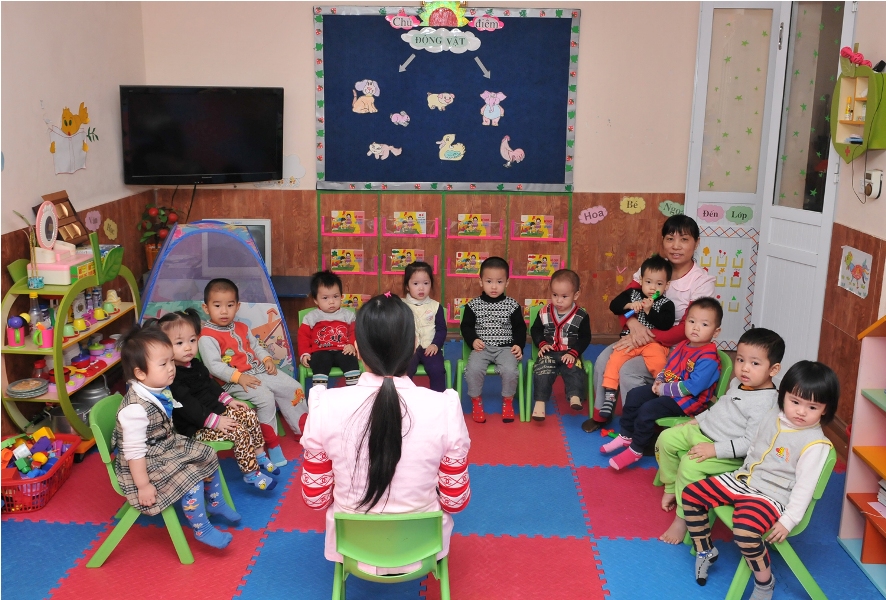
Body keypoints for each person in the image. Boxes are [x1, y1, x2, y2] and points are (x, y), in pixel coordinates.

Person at [299, 294, 471, 574]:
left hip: (353, 551)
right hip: (423, 549)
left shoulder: (324, 404)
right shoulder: (445, 407)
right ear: (414, 345)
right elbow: (456, 500)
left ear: (357, 349)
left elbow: (315, 499)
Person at [684, 361, 838, 599]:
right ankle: (705, 551)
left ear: (825, 409)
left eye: (812, 407)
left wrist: (788, 520)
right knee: (692, 494)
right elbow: (755, 445)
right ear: (783, 396)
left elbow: (804, 488)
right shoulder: (772, 416)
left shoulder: (815, 444)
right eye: (795, 402)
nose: (801, 412)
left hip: (772, 497)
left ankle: (765, 582)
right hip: (744, 480)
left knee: (745, 531)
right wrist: (742, 472)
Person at [585, 215, 715, 433]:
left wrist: (645, 334)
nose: (676, 246)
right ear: (662, 241)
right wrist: (634, 326)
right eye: (670, 239)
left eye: (684, 239)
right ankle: (602, 414)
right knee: (602, 361)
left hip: (674, 347)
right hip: (636, 334)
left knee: (629, 371)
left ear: (696, 242)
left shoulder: (701, 282)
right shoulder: (652, 268)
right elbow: (625, 302)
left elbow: (687, 328)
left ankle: (641, 427)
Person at [655, 328, 784, 544]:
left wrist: (714, 449)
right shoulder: (738, 383)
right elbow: (721, 408)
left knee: (689, 465)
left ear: (774, 369)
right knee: (666, 438)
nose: (744, 368)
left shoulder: (766, 403)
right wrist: (698, 420)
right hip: (704, 431)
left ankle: (682, 518)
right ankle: (670, 485)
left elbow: (750, 443)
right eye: (740, 360)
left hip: (726, 451)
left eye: (754, 363)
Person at [115, 324, 239, 549]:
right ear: (140, 373)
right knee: (191, 476)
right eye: (163, 364)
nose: (172, 368)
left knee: (207, 453)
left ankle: (215, 502)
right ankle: (202, 528)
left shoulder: (158, 387)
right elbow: (134, 453)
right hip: (145, 463)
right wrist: (143, 485)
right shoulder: (135, 409)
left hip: (165, 444)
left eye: (171, 361)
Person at [152, 309, 280, 491]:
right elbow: (189, 407)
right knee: (239, 431)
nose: (188, 348)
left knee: (249, 414)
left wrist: (229, 401)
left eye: (192, 340)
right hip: (198, 427)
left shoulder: (195, 364)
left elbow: (210, 385)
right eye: (179, 343)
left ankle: (259, 456)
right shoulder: (172, 376)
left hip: (215, 412)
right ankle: (251, 473)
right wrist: (216, 421)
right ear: (164, 346)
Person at [601, 298, 723, 470]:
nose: (696, 328)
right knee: (634, 395)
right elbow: (669, 367)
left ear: (716, 332)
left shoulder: (708, 358)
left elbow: (692, 387)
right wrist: (660, 379)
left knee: (648, 409)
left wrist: (663, 389)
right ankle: (626, 435)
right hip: (670, 391)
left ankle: (636, 449)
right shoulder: (683, 345)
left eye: (704, 324)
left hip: (689, 402)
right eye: (692, 321)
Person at [199, 278, 308, 467]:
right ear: (206, 308)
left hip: (258, 370)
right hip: (232, 382)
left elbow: (256, 346)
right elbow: (214, 366)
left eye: (230, 305)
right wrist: (239, 377)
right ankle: (272, 444)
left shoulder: (242, 327)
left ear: (237, 306)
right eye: (217, 306)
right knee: (265, 398)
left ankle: (304, 432)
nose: (224, 311)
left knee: (293, 387)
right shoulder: (207, 336)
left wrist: (266, 359)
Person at [600, 255, 676, 419]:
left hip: (653, 343)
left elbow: (666, 324)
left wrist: (649, 311)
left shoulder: (666, 304)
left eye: (659, 284)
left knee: (659, 361)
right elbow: (614, 306)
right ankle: (610, 394)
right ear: (641, 280)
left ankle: (664, 390)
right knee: (614, 360)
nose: (652, 288)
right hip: (631, 341)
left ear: (667, 285)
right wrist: (628, 305)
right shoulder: (632, 293)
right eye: (648, 282)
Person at [460, 256, 526, 423]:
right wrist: (473, 340)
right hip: (482, 348)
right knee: (473, 369)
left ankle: (508, 401)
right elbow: (466, 327)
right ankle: (476, 401)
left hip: (506, 348)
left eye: (499, 282)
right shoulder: (473, 305)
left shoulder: (512, 305)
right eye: (489, 281)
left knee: (510, 370)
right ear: (481, 282)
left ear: (507, 282)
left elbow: (520, 328)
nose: (494, 286)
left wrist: (518, 345)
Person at [529, 269, 591, 420]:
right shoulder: (544, 312)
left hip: (569, 353)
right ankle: (540, 403)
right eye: (555, 295)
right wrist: (542, 343)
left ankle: (575, 396)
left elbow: (585, 337)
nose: (558, 300)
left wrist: (574, 352)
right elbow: (535, 330)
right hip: (549, 352)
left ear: (576, 295)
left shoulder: (581, 316)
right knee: (542, 370)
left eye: (564, 296)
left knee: (574, 370)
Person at [298, 270, 361, 389]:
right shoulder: (311, 317)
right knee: (319, 361)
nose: (331, 302)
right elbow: (303, 337)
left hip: (343, 350)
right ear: (316, 300)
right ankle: (319, 393)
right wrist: (305, 353)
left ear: (341, 296)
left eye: (335, 296)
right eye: (325, 298)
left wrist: (351, 345)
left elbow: (354, 332)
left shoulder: (348, 315)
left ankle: (353, 392)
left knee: (351, 360)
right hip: (320, 352)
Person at [402, 262, 447, 392]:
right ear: (407, 286)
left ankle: (438, 399)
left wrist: (435, 345)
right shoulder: (401, 305)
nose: (421, 288)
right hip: (409, 350)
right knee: (404, 371)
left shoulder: (435, 306)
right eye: (416, 284)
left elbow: (441, 329)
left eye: (426, 283)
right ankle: (404, 398)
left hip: (430, 348)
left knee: (437, 370)